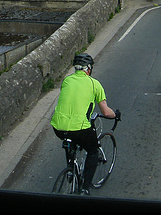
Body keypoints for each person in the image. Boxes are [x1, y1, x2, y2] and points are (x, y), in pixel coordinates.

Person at [51, 53, 120, 195]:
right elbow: (106, 112)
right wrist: (116, 115)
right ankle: (85, 189)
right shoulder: (95, 84)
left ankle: (71, 169)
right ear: (88, 69)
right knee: (93, 150)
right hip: (79, 128)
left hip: (57, 127)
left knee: (70, 140)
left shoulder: (66, 81)